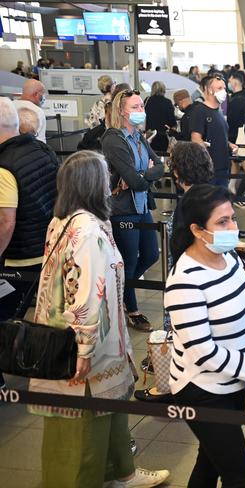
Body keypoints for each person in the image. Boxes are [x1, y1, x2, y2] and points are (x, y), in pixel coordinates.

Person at [28, 150, 169, 488]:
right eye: (105, 176)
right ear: (93, 184)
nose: (110, 183)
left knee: (111, 412)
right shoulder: (89, 231)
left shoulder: (62, 220)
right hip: (84, 348)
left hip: (66, 337)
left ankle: (121, 471)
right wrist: (84, 347)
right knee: (83, 426)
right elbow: (87, 294)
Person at [166, 184, 245, 487]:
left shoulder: (230, 258)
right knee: (239, 477)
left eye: (233, 218)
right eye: (222, 222)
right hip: (203, 389)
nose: (232, 227)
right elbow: (202, 350)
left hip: (234, 382)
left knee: (210, 461)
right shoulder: (185, 280)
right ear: (198, 230)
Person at [134, 141, 214, 403]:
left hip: (187, 285)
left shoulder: (187, 205)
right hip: (211, 281)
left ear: (178, 171)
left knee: (184, 339)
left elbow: (180, 252)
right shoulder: (214, 195)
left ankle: (174, 389)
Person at [101, 89, 164, 332]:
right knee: (128, 260)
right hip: (123, 209)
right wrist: (142, 175)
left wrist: (142, 175)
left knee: (150, 254)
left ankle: (119, 291)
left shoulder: (137, 136)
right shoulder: (114, 138)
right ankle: (132, 309)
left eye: (141, 106)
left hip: (140, 204)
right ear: (121, 111)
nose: (141, 111)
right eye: (135, 107)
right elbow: (135, 180)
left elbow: (159, 166)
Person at [0, 97, 58, 326]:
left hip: (19, 258)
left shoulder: (4, 166)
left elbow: (6, 222)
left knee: (5, 318)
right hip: (47, 247)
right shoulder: (41, 148)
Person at [190, 75, 237, 187]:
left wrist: (229, 144)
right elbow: (195, 138)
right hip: (208, 170)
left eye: (224, 88)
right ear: (210, 90)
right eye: (219, 88)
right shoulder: (200, 111)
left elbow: (219, 135)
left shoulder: (218, 111)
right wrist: (208, 159)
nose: (224, 91)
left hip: (223, 167)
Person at [144, 81, 176, 152]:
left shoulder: (147, 100)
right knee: (161, 157)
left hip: (149, 135)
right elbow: (172, 121)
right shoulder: (168, 102)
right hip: (162, 137)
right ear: (163, 90)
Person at [13, 78, 47, 143]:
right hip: (30, 150)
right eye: (42, 95)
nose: (43, 98)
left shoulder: (9, 106)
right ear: (36, 94)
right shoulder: (37, 111)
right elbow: (41, 142)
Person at [226, 70, 245, 143]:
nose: (228, 84)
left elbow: (231, 120)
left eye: (230, 81)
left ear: (235, 83)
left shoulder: (237, 100)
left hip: (234, 135)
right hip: (241, 133)